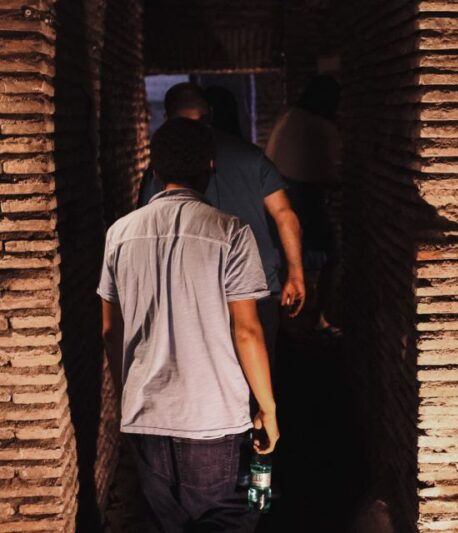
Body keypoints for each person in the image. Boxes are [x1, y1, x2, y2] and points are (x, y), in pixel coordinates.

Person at [99, 118, 278, 531]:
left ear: (155, 172)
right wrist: (267, 409)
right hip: (211, 416)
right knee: (224, 520)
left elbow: (111, 331)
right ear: (210, 167)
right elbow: (248, 331)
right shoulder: (230, 232)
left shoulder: (119, 234)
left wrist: (131, 393)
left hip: (145, 415)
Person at [139, 82, 304, 359]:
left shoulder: (164, 168)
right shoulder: (249, 156)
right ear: (210, 113)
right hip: (257, 286)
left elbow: (151, 229)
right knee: (258, 372)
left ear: (168, 120)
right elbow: (285, 215)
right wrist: (296, 274)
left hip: (195, 294)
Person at [266, 75, 342, 339]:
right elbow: (330, 174)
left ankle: (286, 323)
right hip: (303, 200)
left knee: (286, 263)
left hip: (272, 198)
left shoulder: (288, 116)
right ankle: (315, 319)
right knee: (327, 258)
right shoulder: (322, 126)